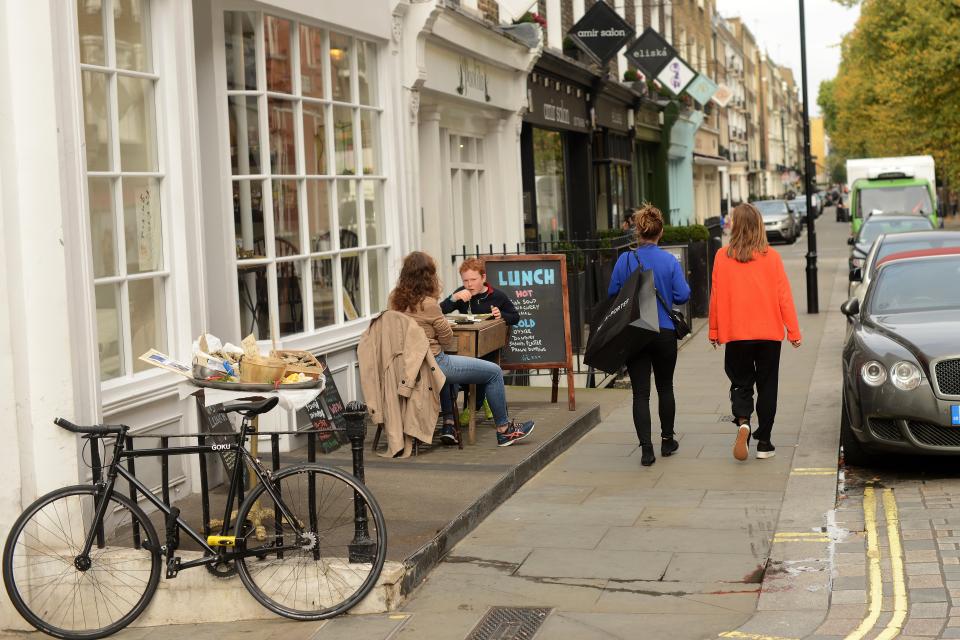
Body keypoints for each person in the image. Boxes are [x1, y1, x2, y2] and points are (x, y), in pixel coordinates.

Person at [389, 251, 534, 447]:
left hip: (403, 365)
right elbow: (447, 338)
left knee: (451, 373)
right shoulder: (429, 304)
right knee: (494, 372)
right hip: (432, 364)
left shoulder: (394, 300)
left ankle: (449, 424)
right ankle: (504, 431)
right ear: (428, 277)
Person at [708, 203, 801, 462]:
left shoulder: (721, 256)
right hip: (769, 333)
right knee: (768, 385)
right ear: (760, 225)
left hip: (736, 334)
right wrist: (793, 331)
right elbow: (784, 296)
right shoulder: (772, 257)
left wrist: (714, 330)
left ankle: (743, 422)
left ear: (735, 227)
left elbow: (715, 297)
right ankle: (765, 442)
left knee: (741, 382)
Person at [607, 204, 691, 467]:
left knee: (640, 393)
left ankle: (646, 449)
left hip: (636, 331)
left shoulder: (625, 260)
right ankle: (668, 441)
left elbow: (613, 294)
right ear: (660, 232)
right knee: (665, 387)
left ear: (637, 232)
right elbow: (682, 295)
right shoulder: (669, 261)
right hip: (664, 331)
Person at [440, 258, 520, 428]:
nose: (469, 284)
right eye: (465, 280)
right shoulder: (461, 294)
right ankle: (451, 418)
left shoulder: (497, 296)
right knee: (447, 373)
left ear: (483, 277)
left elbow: (515, 317)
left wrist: (502, 315)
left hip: (488, 350)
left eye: (473, 280)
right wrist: (453, 298)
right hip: (464, 348)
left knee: (483, 367)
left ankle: (474, 405)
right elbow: (439, 311)